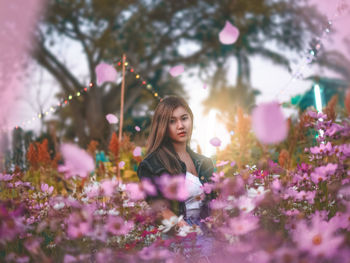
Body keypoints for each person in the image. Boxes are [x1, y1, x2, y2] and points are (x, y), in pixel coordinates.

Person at [137, 95, 215, 261]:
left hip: (207, 232)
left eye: (184, 118)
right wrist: (188, 233)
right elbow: (159, 208)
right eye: (172, 121)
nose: (180, 125)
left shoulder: (205, 162)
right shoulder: (151, 164)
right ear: (163, 126)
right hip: (176, 237)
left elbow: (214, 202)